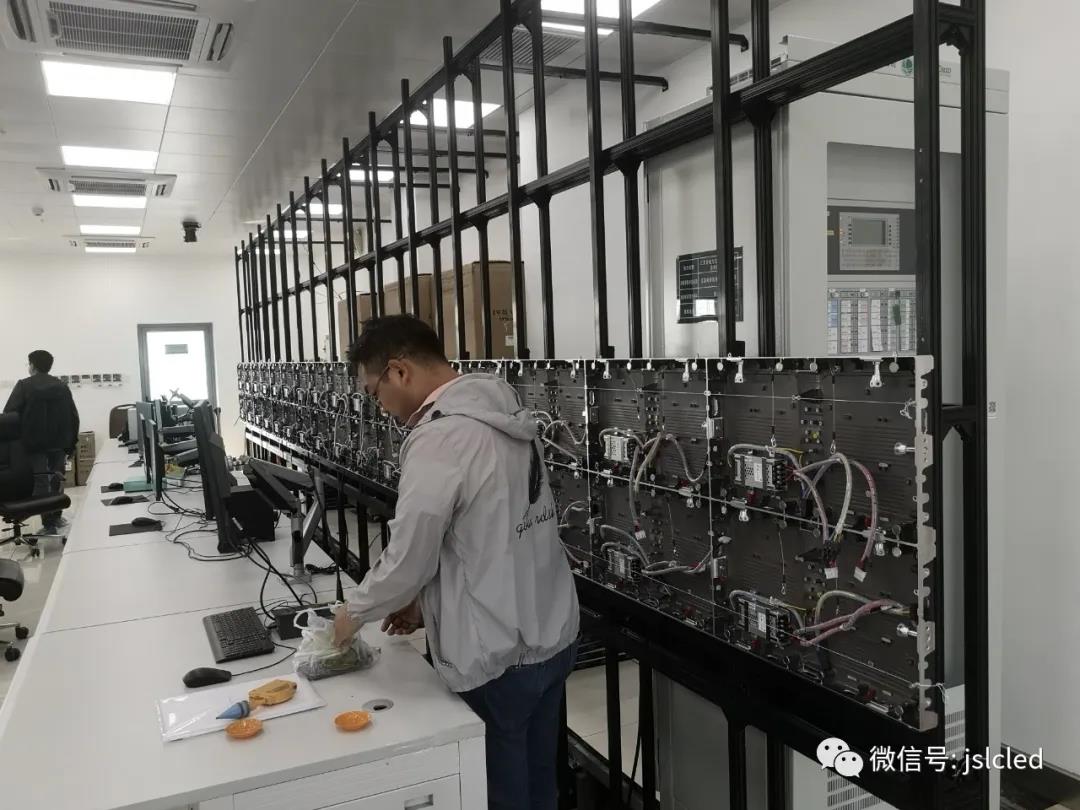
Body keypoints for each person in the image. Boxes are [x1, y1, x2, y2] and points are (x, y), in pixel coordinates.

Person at [333, 315, 580, 810]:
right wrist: (425, 604)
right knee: (540, 783)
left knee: (502, 794)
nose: (380, 408)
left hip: (498, 656)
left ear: (399, 371)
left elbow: (408, 556)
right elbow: (491, 534)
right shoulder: (502, 408)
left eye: (375, 393)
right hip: (552, 635)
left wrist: (351, 613)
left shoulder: (440, 437)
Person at [3, 350, 80, 533]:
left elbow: (10, 415)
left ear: (33, 365)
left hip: (33, 445)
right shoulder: (61, 386)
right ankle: (56, 518)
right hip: (59, 444)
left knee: (40, 482)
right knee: (57, 479)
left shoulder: (24, 385)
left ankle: (48, 523)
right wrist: (72, 443)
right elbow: (73, 416)